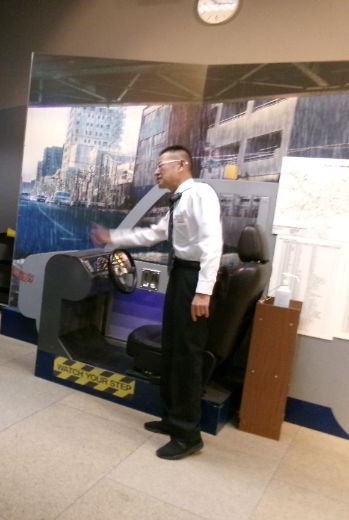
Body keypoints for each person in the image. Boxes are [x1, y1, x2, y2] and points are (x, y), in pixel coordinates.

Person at [92, 145, 222, 460]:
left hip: (193, 280)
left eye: (161, 165)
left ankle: (188, 436)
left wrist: (203, 291)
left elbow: (212, 242)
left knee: (187, 356)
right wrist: (113, 237)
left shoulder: (200, 194)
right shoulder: (178, 201)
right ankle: (172, 419)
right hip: (181, 276)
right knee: (173, 350)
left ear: (182, 164)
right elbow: (153, 234)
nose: (156, 171)